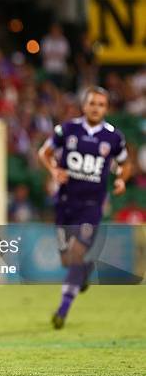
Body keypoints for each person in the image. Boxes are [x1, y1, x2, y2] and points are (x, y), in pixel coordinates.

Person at [38, 86, 131, 329]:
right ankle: (86, 270)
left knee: (76, 253)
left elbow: (125, 164)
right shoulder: (67, 129)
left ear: (106, 108)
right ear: (84, 105)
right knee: (68, 261)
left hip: (91, 207)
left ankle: (62, 310)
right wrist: (54, 170)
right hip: (65, 204)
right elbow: (44, 153)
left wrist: (121, 179)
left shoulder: (113, 137)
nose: (96, 108)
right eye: (92, 103)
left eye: (101, 104)